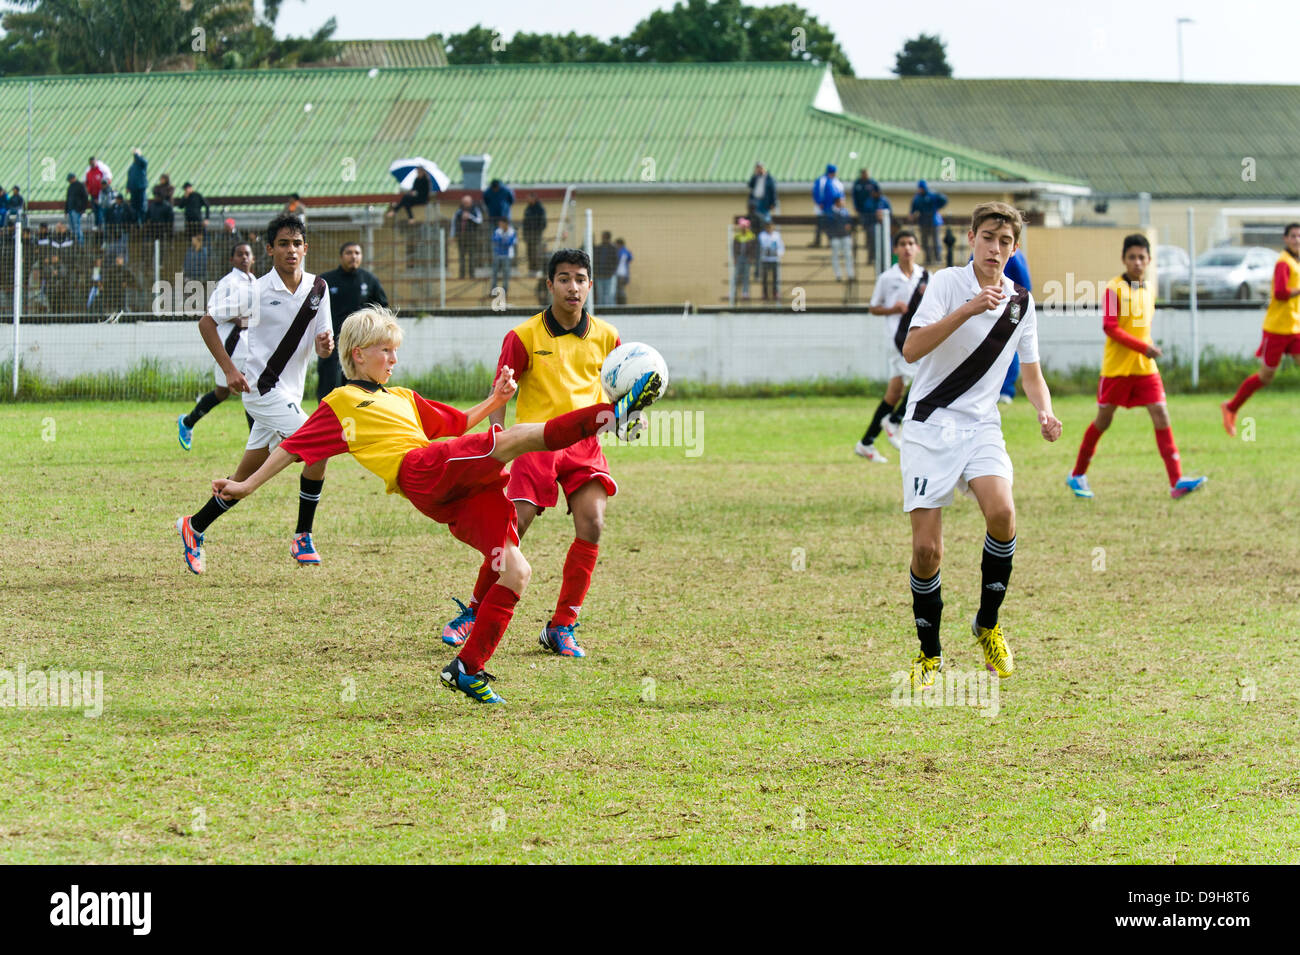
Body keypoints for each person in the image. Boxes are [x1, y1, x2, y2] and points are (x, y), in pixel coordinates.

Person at [211, 306, 661, 703]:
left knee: (516, 571)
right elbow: (292, 447)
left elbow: (458, 421)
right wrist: (246, 485)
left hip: (452, 492)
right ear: (356, 355)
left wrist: (497, 399)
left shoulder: (403, 397)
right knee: (521, 438)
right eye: (384, 350)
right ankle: (611, 416)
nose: (393, 359)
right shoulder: (342, 402)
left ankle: (466, 668)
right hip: (421, 470)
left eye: (394, 351)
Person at [439, 248, 657, 660]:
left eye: (579, 279)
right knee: (512, 528)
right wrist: (496, 443)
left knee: (592, 524)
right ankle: (472, 611)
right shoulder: (522, 337)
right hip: (534, 441)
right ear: (549, 284)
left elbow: (618, 391)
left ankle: (561, 626)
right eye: (563, 278)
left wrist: (631, 418)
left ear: (590, 285)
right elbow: (499, 394)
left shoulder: (609, 337)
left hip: (583, 444)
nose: (572, 287)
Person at [898, 201, 1062, 689]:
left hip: (981, 426)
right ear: (971, 238)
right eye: (988, 237)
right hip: (930, 424)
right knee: (928, 551)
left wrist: (1044, 410)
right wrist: (969, 308)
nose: (996, 248)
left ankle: (988, 622)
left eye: (1006, 241)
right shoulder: (947, 284)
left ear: (1014, 249)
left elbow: (1031, 372)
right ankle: (930, 654)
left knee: (1004, 514)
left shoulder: (1021, 303)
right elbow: (911, 348)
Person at [174, 213, 333, 575]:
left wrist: (326, 345)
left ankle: (194, 526)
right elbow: (207, 322)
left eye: (296, 244)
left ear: (305, 248)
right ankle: (303, 535)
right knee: (318, 445)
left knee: (246, 475)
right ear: (270, 250)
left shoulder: (319, 290)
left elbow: (324, 347)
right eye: (283, 244)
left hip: (290, 394)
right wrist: (230, 369)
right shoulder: (255, 291)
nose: (291, 250)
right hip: (262, 391)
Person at [1066, 234, 1207, 501]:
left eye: (1142, 257)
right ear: (1124, 259)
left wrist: (1145, 351)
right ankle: (1077, 474)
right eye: (1132, 257)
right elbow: (1110, 327)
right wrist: (1144, 347)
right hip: (1117, 369)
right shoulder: (1113, 288)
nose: (1137, 262)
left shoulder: (1149, 290)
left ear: (1149, 260)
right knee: (1103, 421)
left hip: (1145, 369)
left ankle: (1176, 481)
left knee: (1162, 416)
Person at [1221, 222, 1300, 436]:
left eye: (1299, 236)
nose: (1297, 240)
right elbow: (1282, 293)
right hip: (1276, 328)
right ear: (1285, 239)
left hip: (1294, 328)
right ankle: (1231, 407)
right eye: (1293, 236)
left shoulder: (1295, 262)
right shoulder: (1284, 263)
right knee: (1266, 377)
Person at [177, 242, 258, 449]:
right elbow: (212, 309)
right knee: (229, 392)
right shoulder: (229, 282)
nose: (244, 257)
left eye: (247, 254)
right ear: (232, 260)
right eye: (239, 254)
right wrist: (237, 319)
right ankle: (187, 422)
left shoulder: (255, 281)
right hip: (231, 345)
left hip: (248, 345)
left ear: (254, 258)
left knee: (248, 389)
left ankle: (256, 444)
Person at [856, 230, 926, 463]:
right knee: (923, 379)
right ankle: (894, 421)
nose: (907, 248)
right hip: (896, 340)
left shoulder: (926, 276)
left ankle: (866, 442)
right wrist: (892, 309)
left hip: (917, 338)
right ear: (895, 250)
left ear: (917, 248)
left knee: (894, 393)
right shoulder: (887, 278)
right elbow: (874, 307)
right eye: (902, 244)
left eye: (911, 243)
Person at [316, 241, 389, 401]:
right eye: (349, 253)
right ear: (341, 257)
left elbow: (383, 310)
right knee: (329, 383)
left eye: (357, 253)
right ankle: (326, 415)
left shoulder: (369, 280)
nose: (353, 256)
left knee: (359, 384)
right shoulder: (326, 281)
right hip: (333, 341)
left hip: (361, 344)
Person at [997, 248, 1032, 404]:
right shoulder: (979, 251)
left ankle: (1006, 390)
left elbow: (1025, 286)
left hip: (1013, 305)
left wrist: (1017, 306)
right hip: (987, 303)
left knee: (1010, 343)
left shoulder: (1014, 257)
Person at [911, 180, 948, 262]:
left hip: (934, 221)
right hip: (923, 221)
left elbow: (944, 200)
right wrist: (912, 215)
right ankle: (928, 258)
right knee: (924, 241)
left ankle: (938, 258)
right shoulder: (917, 198)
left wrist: (937, 207)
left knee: (935, 241)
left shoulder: (932, 195)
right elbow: (913, 209)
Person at [450, 195, 485, 279]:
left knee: (472, 256)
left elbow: (479, 221)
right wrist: (452, 236)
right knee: (461, 257)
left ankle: (472, 274)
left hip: (472, 237)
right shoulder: (458, 212)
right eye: (464, 202)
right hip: (461, 237)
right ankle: (461, 275)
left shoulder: (475, 210)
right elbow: (453, 224)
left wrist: (470, 217)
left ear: (471, 202)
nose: (465, 204)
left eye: (467, 202)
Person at [809, 163, 843, 248]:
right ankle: (819, 241)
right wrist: (819, 202)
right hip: (824, 208)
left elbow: (840, 194)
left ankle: (831, 241)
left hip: (834, 209)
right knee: (822, 224)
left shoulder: (836, 182)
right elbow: (816, 192)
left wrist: (840, 204)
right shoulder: (822, 180)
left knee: (831, 224)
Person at [826, 197, 854, 283]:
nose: (843, 203)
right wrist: (830, 236)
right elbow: (827, 226)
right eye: (842, 201)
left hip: (845, 236)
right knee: (835, 256)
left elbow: (850, 222)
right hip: (835, 237)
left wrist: (849, 227)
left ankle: (850, 274)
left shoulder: (845, 211)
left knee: (848, 255)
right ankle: (838, 275)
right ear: (837, 202)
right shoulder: (830, 213)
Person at [489, 217, 517, 299]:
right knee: (494, 273)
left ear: (506, 224)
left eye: (501, 223)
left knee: (506, 274)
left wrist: (501, 240)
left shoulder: (512, 232)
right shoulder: (497, 231)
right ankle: (493, 291)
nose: (500, 225)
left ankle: (504, 291)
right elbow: (495, 240)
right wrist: (503, 240)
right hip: (497, 255)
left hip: (507, 255)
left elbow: (509, 243)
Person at [758, 220, 784, 302]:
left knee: (775, 278)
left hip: (774, 259)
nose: (769, 228)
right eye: (768, 227)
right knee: (765, 277)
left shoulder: (777, 235)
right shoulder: (762, 235)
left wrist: (778, 253)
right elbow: (761, 246)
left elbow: (781, 247)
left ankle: (775, 292)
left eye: (771, 227)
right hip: (765, 259)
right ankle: (765, 293)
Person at [732, 217, 756, 301]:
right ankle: (733, 291)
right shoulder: (737, 236)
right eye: (742, 227)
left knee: (746, 276)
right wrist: (735, 258)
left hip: (747, 258)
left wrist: (751, 258)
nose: (743, 228)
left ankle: (745, 292)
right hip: (739, 257)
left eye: (745, 227)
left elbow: (753, 249)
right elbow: (734, 249)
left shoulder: (751, 236)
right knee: (736, 275)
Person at [522, 193, 547, 273]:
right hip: (528, 233)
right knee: (529, 251)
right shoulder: (528, 208)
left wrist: (538, 230)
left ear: (534, 198)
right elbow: (525, 221)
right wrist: (525, 233)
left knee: (536, 251)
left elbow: (543, 222)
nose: (527, 200)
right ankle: (531, 269)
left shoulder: (540, 208)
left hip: (536, 233)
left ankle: (537, 269)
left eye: (529, 198)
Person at [593, 231, 618, 308]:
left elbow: (616, 262)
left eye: (604, 237)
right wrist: (596, 272)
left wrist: (611, 272)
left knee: (609, 295)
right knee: (600, 295)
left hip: (609, 276)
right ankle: (600, 311)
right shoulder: (598, 248)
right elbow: (595, 260)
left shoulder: (613, 249)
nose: (603, 238)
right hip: (599, 275)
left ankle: (610, 311)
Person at [85, 157, 110, 230]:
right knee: (95, 210)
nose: (92, 164)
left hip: (101, 194)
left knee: (100, 210)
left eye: (93, 163)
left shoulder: (101, 171)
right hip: (93, 195)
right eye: (91, 163)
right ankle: (97, 224)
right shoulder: (89, 172)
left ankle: (101, 224)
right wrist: (89, 191)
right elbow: (87, 183)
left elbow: (107, 180)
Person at [64, 173, 89, 245]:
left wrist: (82, 209)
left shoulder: (80, 185)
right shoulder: (70, 187)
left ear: (74, 178)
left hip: (76, 210)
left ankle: (80, 243)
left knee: (77, 226)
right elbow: (68, 199)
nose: (69, 181)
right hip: (71, 209)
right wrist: (66, 210)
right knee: (72, 227)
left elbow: (85, 197)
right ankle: (75, 242)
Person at [127, 149, 148, 225]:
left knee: (141, 206)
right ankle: (136, 222)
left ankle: (142, 222)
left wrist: (137, 154)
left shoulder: (142, 164)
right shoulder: (132, 167)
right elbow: (129, 177)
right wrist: (128, 186)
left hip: (140, 188)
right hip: (133, 189)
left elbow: (143, 162)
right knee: (134, 207)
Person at [615, 238, 633, 304]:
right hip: (624, 274)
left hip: (619, 274)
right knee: (621, 289)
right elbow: (630, 259)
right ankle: (622, 303)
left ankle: (621, 304)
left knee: (619, 290)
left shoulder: (619, 252)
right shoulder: (627, 251)